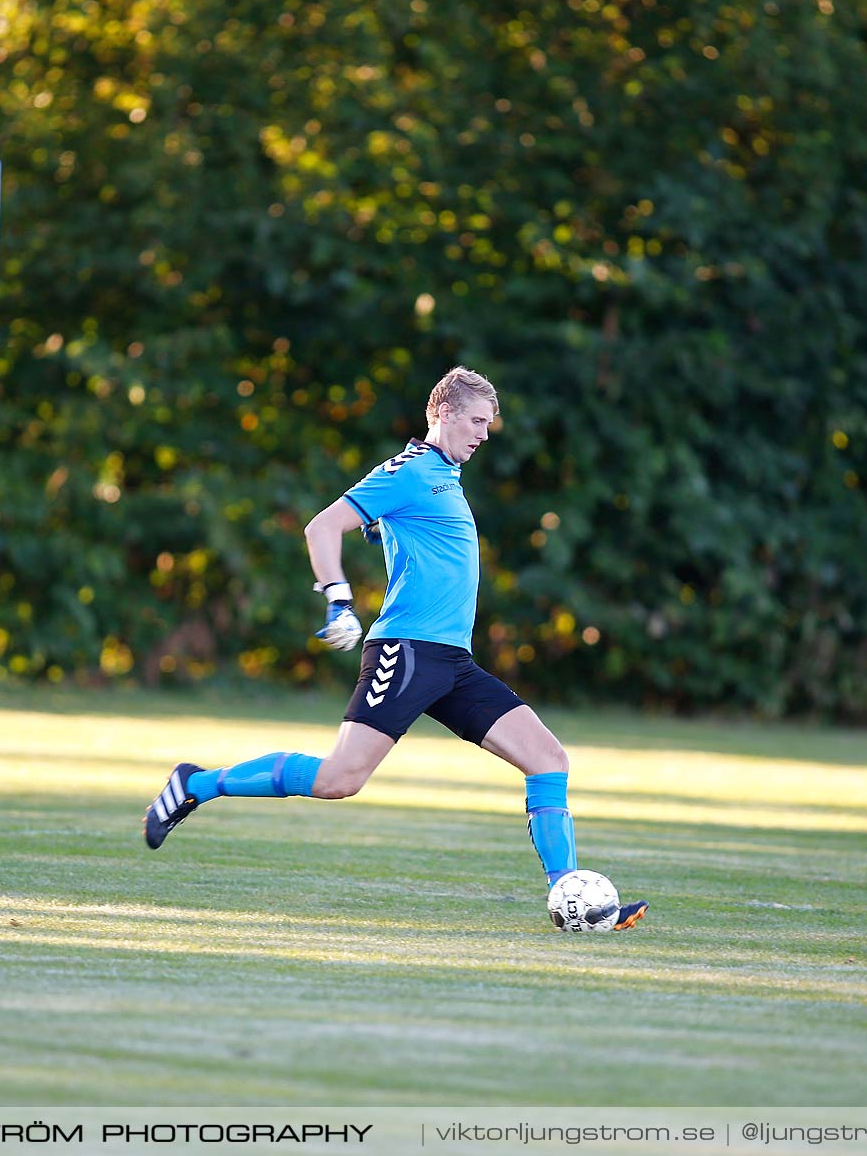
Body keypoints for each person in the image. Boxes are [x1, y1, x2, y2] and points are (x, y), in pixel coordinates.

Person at [143, 367, 647, 931]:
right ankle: (197, 783)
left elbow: (404, 533)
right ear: (443, 414)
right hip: (405, 652)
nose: (484, 434)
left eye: (489, 424)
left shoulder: (445, 478)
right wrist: (337, 599)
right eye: (476, 421)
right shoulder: (408, 470)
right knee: (340, 780)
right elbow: (322, 527)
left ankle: (570, 896)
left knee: (549, 760)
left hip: (453, 662)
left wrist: (383, 533)